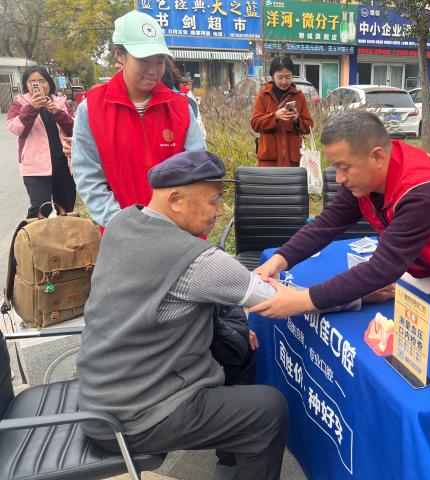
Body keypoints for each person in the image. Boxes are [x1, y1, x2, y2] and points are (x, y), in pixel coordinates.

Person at [77, 150, 289, 480]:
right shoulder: (197, 260)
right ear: (176, 200)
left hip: (103, 393)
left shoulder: (122, 222)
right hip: (134, 416)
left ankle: (232, 466)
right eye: (214, 200)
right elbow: (283, 300)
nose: (220, 210)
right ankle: (237, 461)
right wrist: (358, 293)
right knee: (268, 410)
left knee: (238, 348)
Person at [251, 110, 430, 319]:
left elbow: (382, 269)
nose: (339, 178)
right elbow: (329, 221)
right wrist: (279, 260)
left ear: (376, 156)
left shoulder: (424, 193)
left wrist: (302, 301)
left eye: (344, 167)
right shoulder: (374, 174)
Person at [71, 11, 206, 228]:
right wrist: (125, 225)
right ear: (120, 54)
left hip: (178, 231)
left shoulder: (180, 108)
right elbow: (88, 177)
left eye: (160, 61)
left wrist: (181, 222)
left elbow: (197, 170)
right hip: (123, 233)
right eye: (144, 61)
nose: (153, 71)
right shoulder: (91, 110)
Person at [6, 66, 75, 218]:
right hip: (35, 167)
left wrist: (57, 112)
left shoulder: (61, 102)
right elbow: (14, 128)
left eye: (42, 81)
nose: (37, 85)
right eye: (32, 82)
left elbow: (75, 128)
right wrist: (31, 108)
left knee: (66, 208)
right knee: (40, 209)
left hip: (63, 164)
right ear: (27, 84)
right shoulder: (20, 103)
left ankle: (65, 234)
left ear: (49, 82)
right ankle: (33, 234)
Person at [251, 55, 313, 167]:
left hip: (293, 161)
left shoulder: (299, 97)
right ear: (272, 76)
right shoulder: (263, 96)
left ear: (292, 75)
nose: (284, 81)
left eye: (288, 77)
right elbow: (255, 124)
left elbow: (308, 127)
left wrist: (297, 120)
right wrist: (275, 116)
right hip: (269, 161)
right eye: (280, 77)